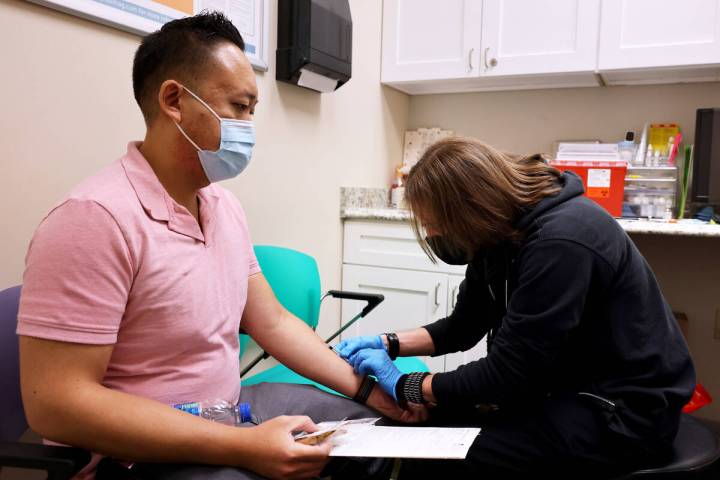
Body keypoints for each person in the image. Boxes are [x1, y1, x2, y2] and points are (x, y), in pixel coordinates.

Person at [17, 12, 422, 480]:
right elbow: (54, 404)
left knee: (367, 436)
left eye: (253, 110)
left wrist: (369, 390)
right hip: (135, 455)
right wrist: (242, 447)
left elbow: (272, 322)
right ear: (174, 100)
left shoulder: (222, 207)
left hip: (226, 411)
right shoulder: (93, 219)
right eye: (239, 106)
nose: (250, 124)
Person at [335, 137, 696, 479]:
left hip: (623, 411)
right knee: (428, 423)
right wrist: (388, 343)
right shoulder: (496, 232)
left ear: (468, 211)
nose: (431, 234)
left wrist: (406, 385)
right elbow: (464, 325)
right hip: (561, 386)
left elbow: (509, 372)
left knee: (444, 458)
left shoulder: (562, 240)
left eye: (433, 223)